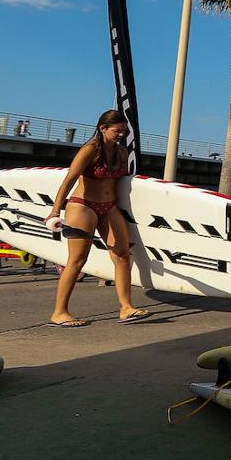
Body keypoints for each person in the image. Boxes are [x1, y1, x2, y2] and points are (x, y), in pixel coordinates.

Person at [43, 109, 149, 327]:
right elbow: (69, 179)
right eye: (117, 130)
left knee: (122, 255)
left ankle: (126, 308)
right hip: (83, 206)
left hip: (109, 207)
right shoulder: (90, 150)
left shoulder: (121, 153)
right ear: (103, 128)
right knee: (77, 260)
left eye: (124, 131)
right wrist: (55, 211)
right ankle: (59, 313)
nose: (121, 134)